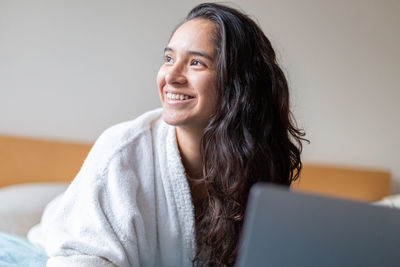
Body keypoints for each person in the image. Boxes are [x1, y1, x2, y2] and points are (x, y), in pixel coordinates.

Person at [28, 3, 306, 267]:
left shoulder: (258, 162)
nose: (171, 76)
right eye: (169, 58)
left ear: (238, 84)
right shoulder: (121, 153)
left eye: (196, 62)